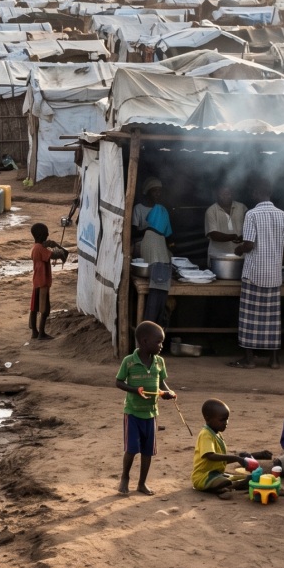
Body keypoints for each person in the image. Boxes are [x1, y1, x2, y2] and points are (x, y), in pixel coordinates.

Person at [228, 179, 284, 369]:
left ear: (257, 192)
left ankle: (249, 359)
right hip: (273, 274)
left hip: (254, 273)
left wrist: (238, 250)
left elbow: (249, 244)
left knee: (250, 319)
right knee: (272, 319)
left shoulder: (252, 214)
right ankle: (274, 360)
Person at [115, 320, 176, 495]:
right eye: (158, 342)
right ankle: (125, 477)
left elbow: (161, 381)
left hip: (151, 413)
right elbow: (118, 382)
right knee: (132, 449)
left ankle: (142, 483)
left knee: (148, 451)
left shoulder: (159, 362)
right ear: (144, 341)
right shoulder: (129, 362)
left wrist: (167, 392)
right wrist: (135, 390)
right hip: (133, 412)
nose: (161, 346)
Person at [192, 399, 251, 498]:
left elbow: (221, 460)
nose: (226, 423)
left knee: (241, 477)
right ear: (208, 419)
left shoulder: (217, 434)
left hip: (216, 474)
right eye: (222, 420)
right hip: (202, 477)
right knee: (224, 481)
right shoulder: (205, 434)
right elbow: (210, 456)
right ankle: (233, 486)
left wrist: (242, 457)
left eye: (227, 419)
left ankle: (235, 484)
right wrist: (236, 458)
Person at [133, 178, 172, 323]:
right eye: (155, 191)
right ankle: (153, 323)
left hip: (154, 275)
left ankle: (150, 323)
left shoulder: (151, 234)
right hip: (158, 283)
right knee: (157, 296)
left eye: (160, 191)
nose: (158, 194)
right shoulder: (161, 213)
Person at [29, 222, 67, 340]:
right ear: (41, 236)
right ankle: (41, 333)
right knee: (44, 308)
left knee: (34, 307)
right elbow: (57, 255)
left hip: (37, 281)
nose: (48, 235)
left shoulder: (35, 247)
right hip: (43, 281)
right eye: (46, 234)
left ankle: (34, 332)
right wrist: (56, 246)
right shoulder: (40, 248)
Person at [204, 184, 246, 264]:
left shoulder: (242, 208)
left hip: (241, 257)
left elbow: (251, 229)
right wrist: (233, 236)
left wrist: (243, 237)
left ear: (233, 194)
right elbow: (213, 235)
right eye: (222, 194)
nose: (225, 196)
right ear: (217, 195)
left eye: (228, 194)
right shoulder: (211, 211)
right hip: (218, 258)